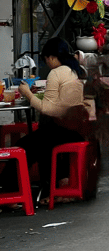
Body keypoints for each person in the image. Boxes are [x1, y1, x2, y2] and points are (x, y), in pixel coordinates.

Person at [0, 37, 88, 199]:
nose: (47, 63)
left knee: (23, 145)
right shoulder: (74, 70)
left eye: (47, 59)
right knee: (40, 140)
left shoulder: (56, 73)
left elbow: (48, 108)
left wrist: (27, 93)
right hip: (75, 129)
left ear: (52, 57)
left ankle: (9, 192)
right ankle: (56, 186)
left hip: (61, 130)